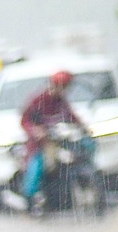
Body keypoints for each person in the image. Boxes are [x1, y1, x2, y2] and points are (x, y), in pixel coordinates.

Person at [19, 70, 87, 205]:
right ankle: (30, 196)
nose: (62, 90)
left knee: (84, 148)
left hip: (60, 141)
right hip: (42, 144)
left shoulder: (61, 102)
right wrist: (36, 131)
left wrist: (83, 128)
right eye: (60, 86)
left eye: (65, 87)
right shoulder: (38, 101)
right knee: (38, 165)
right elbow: (25, 121)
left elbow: (72, 117)